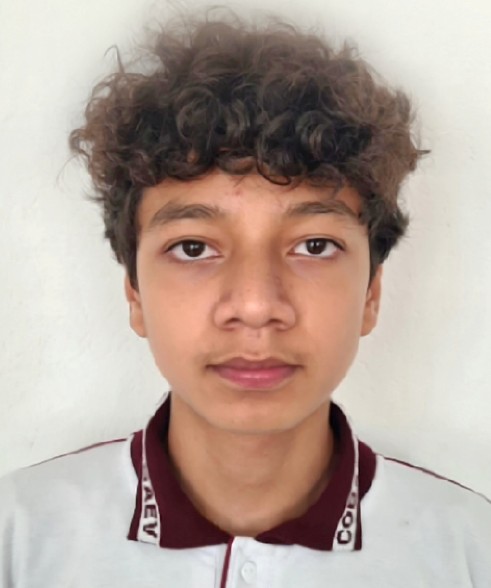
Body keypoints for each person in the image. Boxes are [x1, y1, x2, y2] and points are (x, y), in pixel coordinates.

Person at [0, 11, 490, 588]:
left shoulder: (468, 550)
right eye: (193, 248)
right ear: (134, 293)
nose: (256, 306)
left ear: (371, 294)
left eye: (314, 245)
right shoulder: (19, 539)